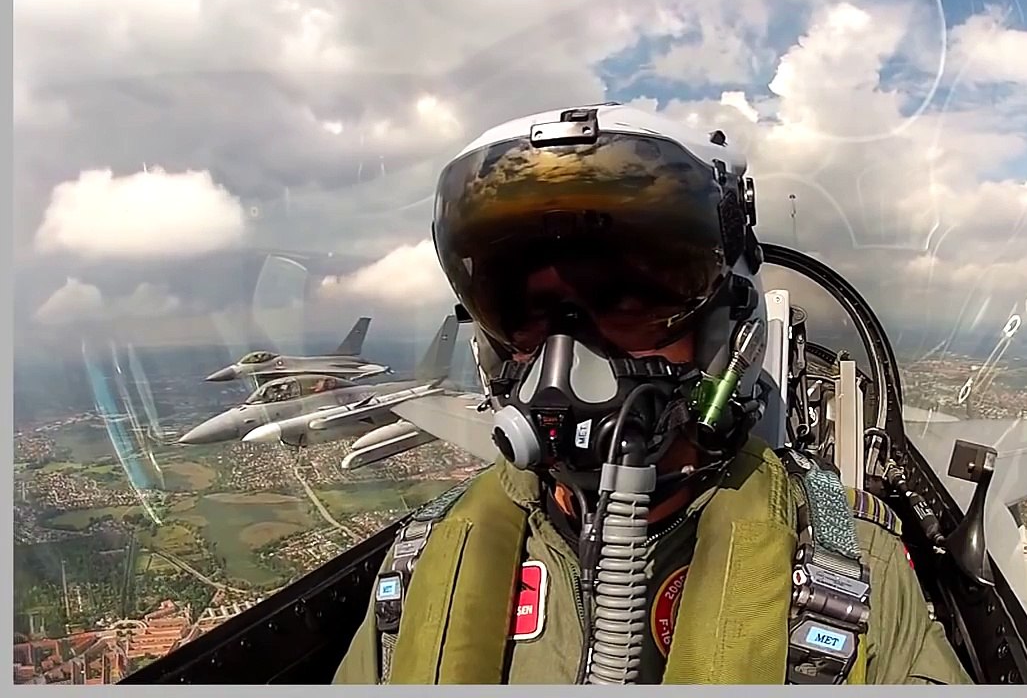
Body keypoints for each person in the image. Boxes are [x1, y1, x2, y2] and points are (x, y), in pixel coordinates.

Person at [332, 103, 972, 685]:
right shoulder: (422, 565)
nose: (566, 360)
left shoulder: (853, 566)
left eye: (629, 303)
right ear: (494, 346)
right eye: (528, 312)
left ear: (728, 335)